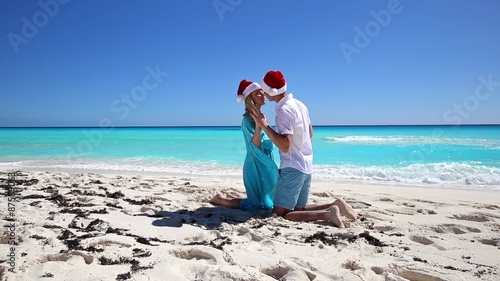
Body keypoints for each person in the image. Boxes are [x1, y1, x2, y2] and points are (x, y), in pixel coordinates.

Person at [250, 70, 357, 228]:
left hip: (293, 167)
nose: (263, 94)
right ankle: (337, 205)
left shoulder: (283, 111)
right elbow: (310, 133)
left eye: (265, 90)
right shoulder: (300, 105)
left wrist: (264, 125)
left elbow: (285, 145)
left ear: (271, 91)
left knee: (281, 214)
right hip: (306, 165)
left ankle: (327, 213)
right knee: (298, 210)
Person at [209, 79, 278, 211]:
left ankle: (230, 197)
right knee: (257, 205)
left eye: (262, 92)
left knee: (267, 199)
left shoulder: (262, 116)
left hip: (266, 160)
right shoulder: (246, 120)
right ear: (250, 99)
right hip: (255, 163)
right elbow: (255, 145)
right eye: (258, 93)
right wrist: (259, 126)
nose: (263, 95)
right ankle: (220, 200)